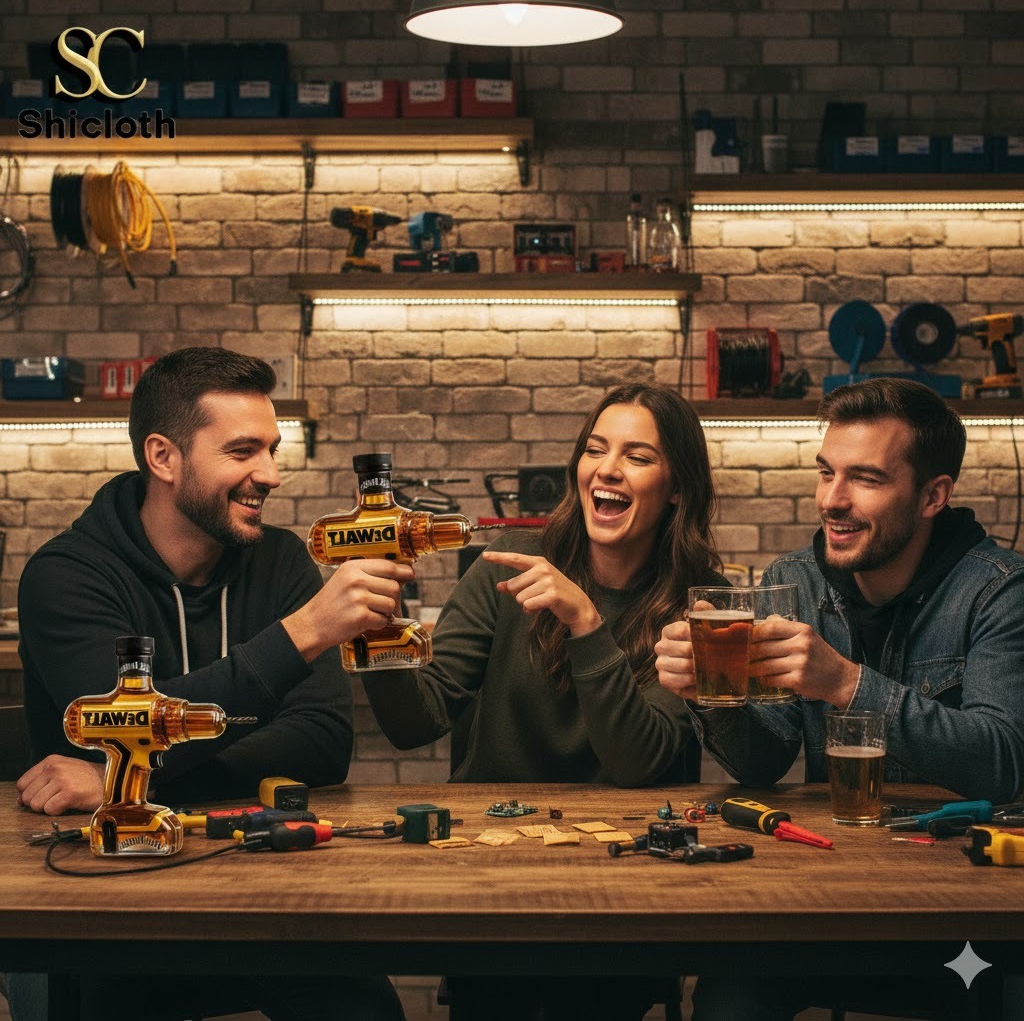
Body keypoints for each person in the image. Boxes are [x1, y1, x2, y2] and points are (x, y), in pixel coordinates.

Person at [11, 346, 408, 1021]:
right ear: (164, 458)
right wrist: (299, 636)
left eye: (272, 450)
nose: (271, 475)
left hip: (271, 891)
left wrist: (137, 780)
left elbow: (322, 742)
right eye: (243, 451)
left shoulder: (279, 560)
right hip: (109, 900)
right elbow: (122, 740)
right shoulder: (67, 577)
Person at [655, 377, 1024, 1021]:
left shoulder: (998, 590)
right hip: (826, 894)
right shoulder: (791, 581)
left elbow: (1002, 764)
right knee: (726, 996)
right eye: (826, 473)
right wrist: (713, 696)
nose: (833, 500)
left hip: (961, 910)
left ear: (934, 495)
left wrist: (847, 684)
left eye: (866, 479)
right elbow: (765, 763)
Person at [365, 381, 725, 1020]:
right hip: (491, 875)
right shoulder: (505, 567)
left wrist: (587, 625)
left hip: (628, 881)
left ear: (676, 488)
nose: (607, 469)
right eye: (595, 449)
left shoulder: (703, 605)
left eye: (638, 457)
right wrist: (378, 632)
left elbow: (640, 763)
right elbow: (414, 723)